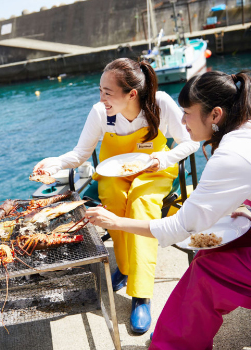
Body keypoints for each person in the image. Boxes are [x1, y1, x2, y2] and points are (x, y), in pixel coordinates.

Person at [84, 70, 251, 349]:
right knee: (207, 254)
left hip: (156, 179)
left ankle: (173, 341)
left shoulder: (230, 155)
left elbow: (179, 227)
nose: (182, 121)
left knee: (207, 269)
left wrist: (116, 222)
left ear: (216, 115)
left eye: (187, 113)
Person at [33, 58, 199, 333]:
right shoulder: (100, 113)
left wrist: (166, 158)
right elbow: (79, 154)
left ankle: (141, 293)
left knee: (140, 203)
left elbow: (191, 141)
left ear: (131, 94)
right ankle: (124, 265)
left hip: (154, 172)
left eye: (107, 92)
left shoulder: (160, 103)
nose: (101, 98)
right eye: (100, 90)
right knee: (112, 200)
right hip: (114, 174)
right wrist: (54, 162)